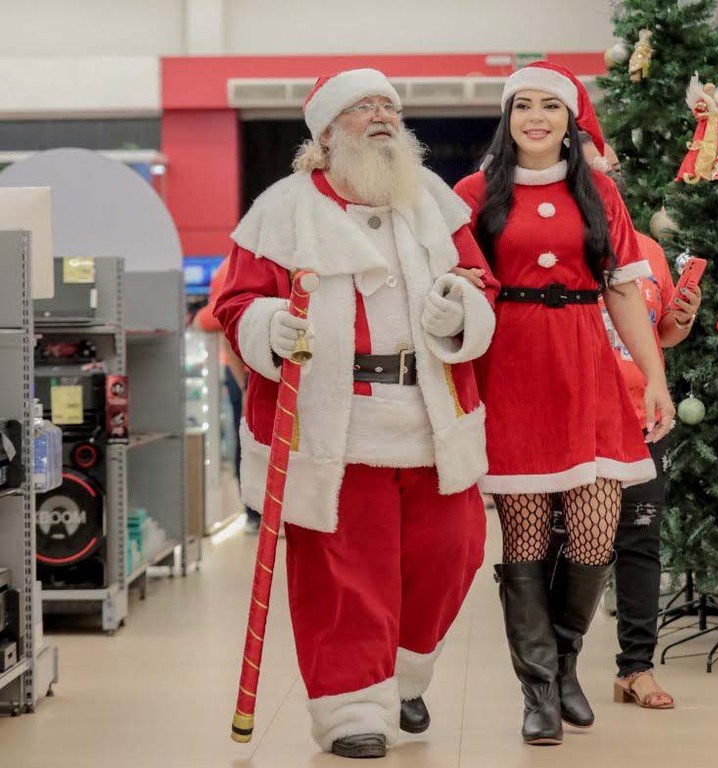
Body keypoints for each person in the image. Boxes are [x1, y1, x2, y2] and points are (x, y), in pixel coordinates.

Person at [214, 68, 498, 760]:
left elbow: (478, 279)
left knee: (451, 553)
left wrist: (460, 307)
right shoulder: (281, 211)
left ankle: (403, 676)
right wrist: (269, 325)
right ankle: (350, 708)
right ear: (326, 131)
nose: (381, 116)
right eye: (362, 106)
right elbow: (236, 303)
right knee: (343, 573)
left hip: (431, 416)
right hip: (333, 425)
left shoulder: (431, 199)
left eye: (387, 106)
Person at [454, 61, 675, 746]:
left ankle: (565, 661)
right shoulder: (472, 191)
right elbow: (455, 291)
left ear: (569, 120)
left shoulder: (598, 191)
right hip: (513, 369)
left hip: (586, 367)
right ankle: (538, 691)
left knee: (592, 533)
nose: (535, 117)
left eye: (550, 106)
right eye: (522, 105)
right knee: (522, 537)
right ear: (507, 117)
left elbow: (621, 291)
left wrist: (655, 375)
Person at [576, 136, 701, 709]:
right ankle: (555, 669)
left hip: (641, 419)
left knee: (640, 541)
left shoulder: (646, 249)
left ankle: (636, 668)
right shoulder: (557, 243)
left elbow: (660, 336)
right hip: (574, 417)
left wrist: (680, 319)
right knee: (568, 545)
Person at [194, 258, 262, 533]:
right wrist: (244, 384)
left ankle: (266, 512)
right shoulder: (234, 264)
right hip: (247, 373)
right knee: (249, 440)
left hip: (260, 370)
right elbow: (218, 322)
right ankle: (254, 513)